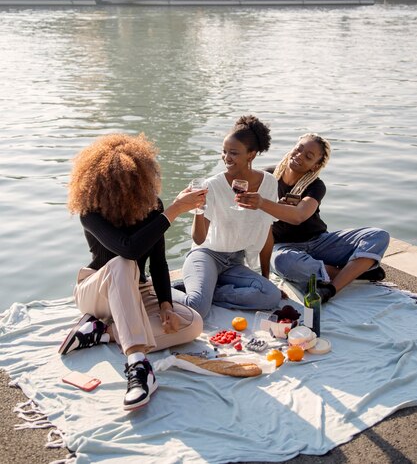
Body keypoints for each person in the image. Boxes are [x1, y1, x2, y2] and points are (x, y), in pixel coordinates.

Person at [59, 133, 205, 412]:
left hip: (136, 291)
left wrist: (165, 305)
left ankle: (103, 332)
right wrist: (174, 211)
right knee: (124, 263)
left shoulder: (152, 207)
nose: (126, 189)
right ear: (99, 183)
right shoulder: (91, 212)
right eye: (116, 183)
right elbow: (129, 250)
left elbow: (159, 263)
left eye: (133, 181)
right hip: (97, 290)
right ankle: (138, 366)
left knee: (193, 324)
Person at [236, 133, 390, 303]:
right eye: (298, 149)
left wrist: (264, 203)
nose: (299, 156)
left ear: (315, 166)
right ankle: (354, 272)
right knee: (282, 261)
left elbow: (299, 216)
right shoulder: (267, 177)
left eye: (308, 156)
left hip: (319, 242)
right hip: (285, 248)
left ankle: (331, 289)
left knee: (378, 235)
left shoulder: (316, 185)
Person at [172, 115, 282, 318]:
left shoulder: (269, 183)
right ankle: (156, 290)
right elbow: (198, 240)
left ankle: (208, 291)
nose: (226, 158)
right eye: (224, 152)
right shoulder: (212, 185)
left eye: (233, 153)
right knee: (198, 308)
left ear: (251, 155)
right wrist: (199, 209)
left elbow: (267, 233)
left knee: (272, 296)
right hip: (206, 256)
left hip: (235, 262)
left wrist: (266, 278)